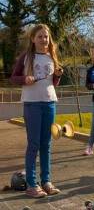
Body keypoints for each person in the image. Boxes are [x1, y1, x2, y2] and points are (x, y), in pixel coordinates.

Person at [10, 24, 63, 198]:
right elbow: (14, 78)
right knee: (34, 144)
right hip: (32, 104)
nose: (44, 40)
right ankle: (32, 185)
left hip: (49, 103)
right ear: (33, 39)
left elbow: (53, 84)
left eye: (46, 37)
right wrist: (25, 78)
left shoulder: (52, 56)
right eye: (40, 36)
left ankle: (46, 181)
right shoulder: (26, 57)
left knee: (46, 144)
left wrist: (57, 74)